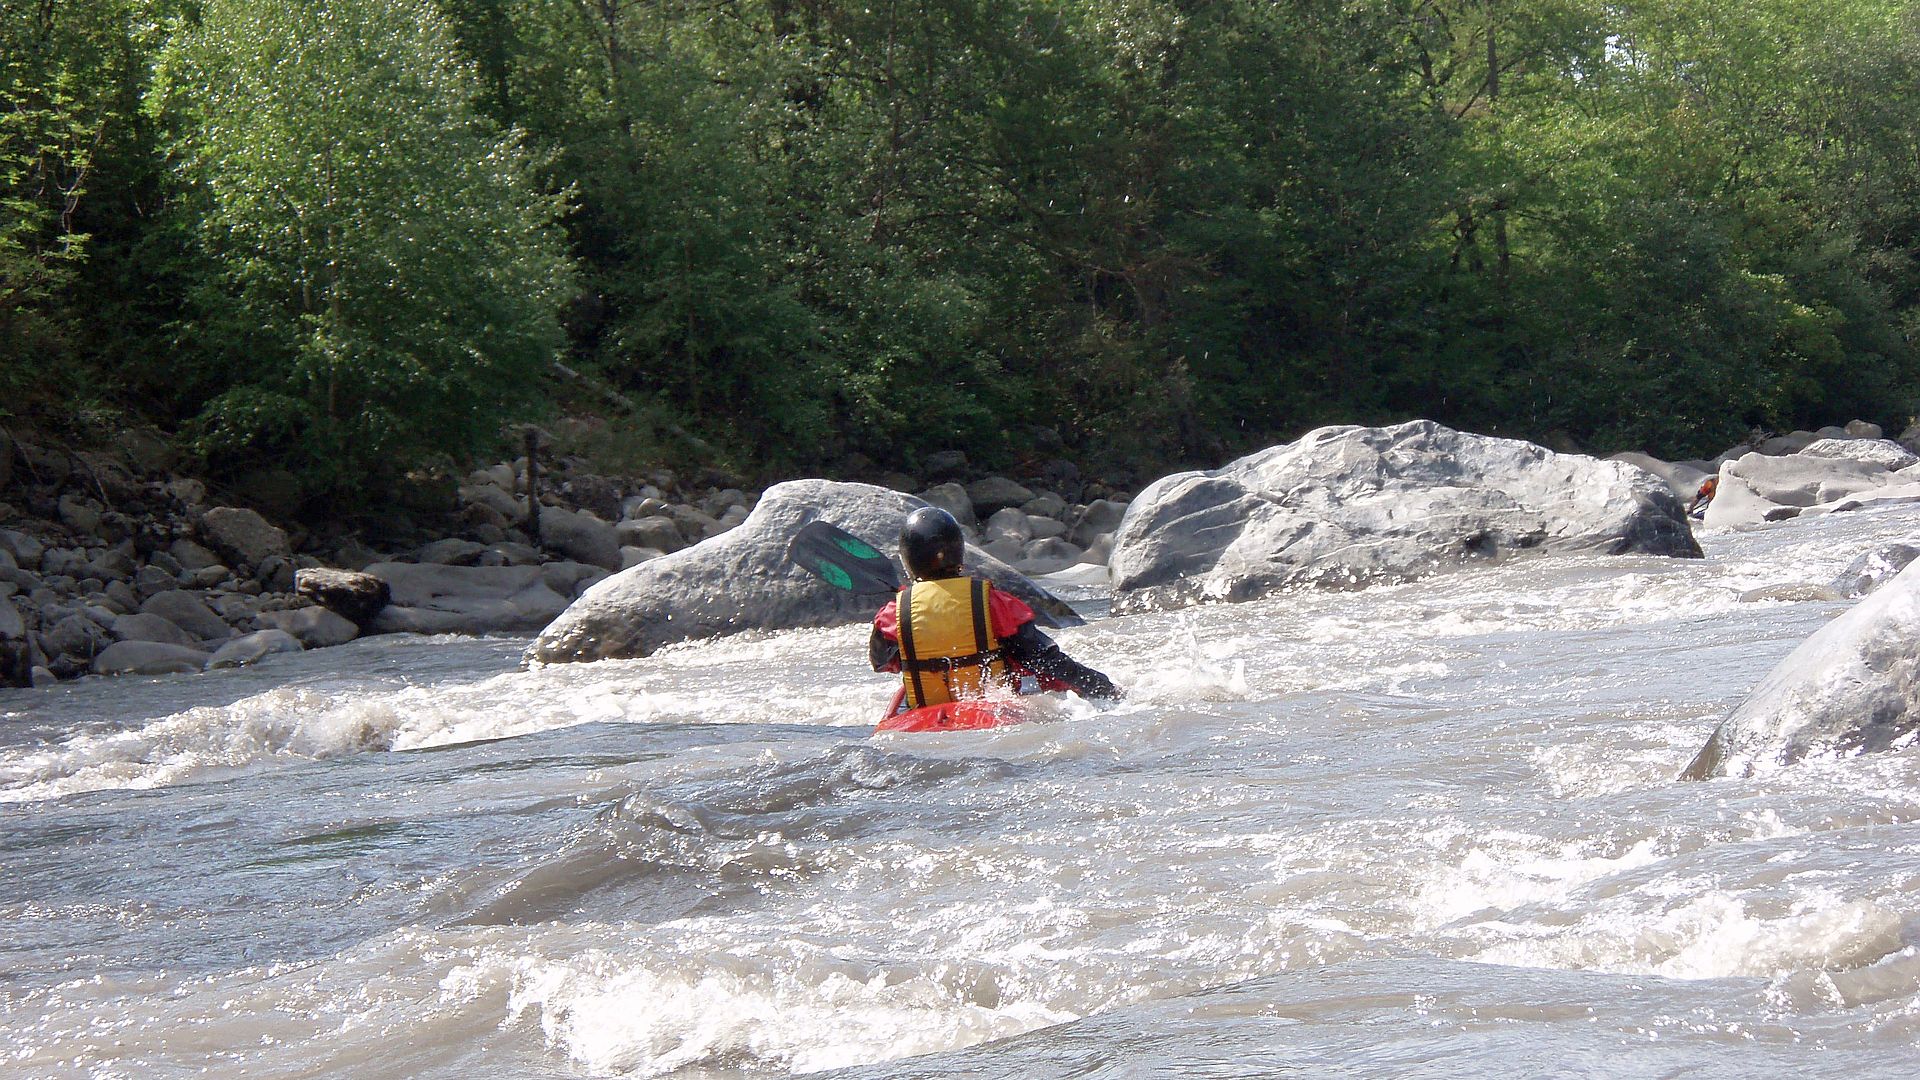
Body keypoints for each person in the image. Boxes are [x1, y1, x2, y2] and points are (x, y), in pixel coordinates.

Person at [869, 507, 1121, 712]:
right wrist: (1103, 687)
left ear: (907, 559)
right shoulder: (993, 603)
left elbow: (880, 663)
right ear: (959, 553)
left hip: (926, 711)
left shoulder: (893, 614)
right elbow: (1045, 659)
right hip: (990, 707)